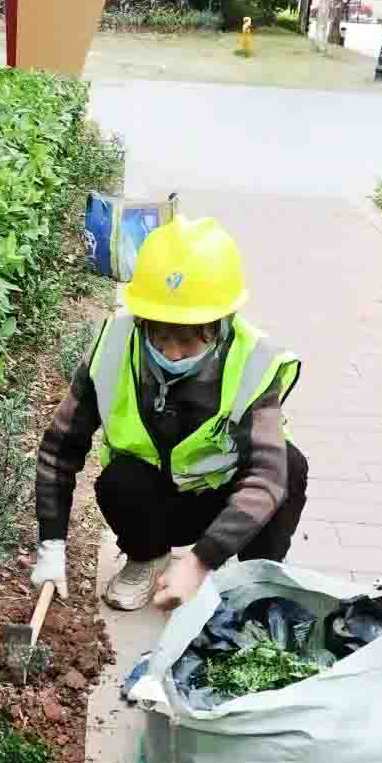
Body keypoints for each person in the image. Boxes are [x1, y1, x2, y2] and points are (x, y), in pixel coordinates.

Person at [29, 216, 308, 612]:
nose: (172, 353)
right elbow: (59, 450)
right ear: (142, 319)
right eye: (160, 336)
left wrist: (200, 562)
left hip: (223, 505)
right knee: (120, 478)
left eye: (188, 341)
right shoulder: (113, 346)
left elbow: (266, 479)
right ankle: (147, 560)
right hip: (152, 503)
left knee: (290, 466)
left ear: (220, 325)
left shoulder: (254, 361)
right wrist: (51, 545)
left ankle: (253, 583)